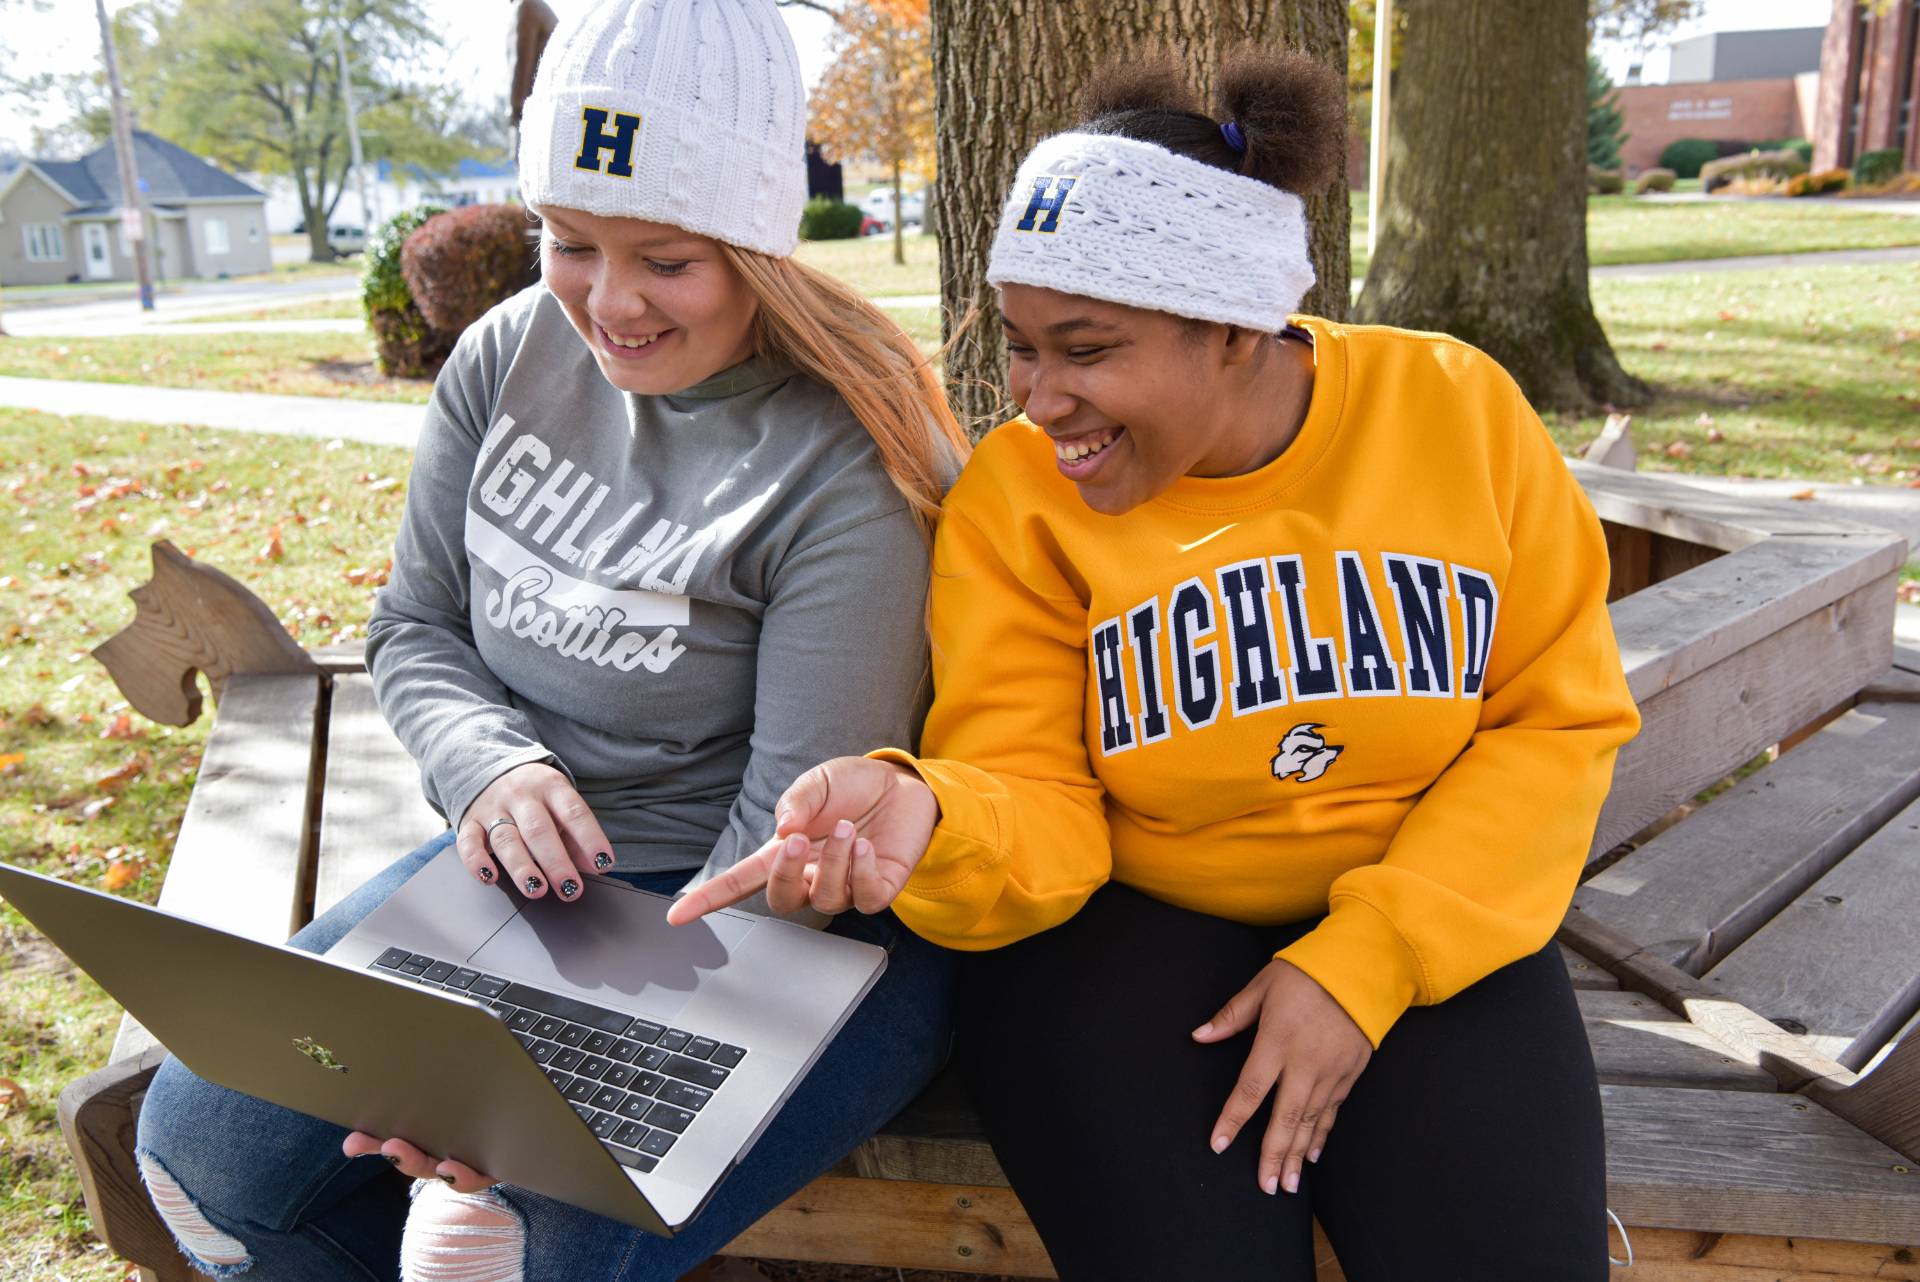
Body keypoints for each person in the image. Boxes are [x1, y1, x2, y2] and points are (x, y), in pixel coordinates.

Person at [672, 48, 1642, 1282]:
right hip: (1126, 938)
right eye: (1021, 347)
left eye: (1085, 349)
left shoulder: (1458, 411)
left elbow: (1554, 729)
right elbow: (1035, 794)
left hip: (1430, 914)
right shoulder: (1016, 505)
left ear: (1236, 328)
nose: (1037, 402)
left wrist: (1364, 966)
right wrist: (928, 813)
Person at [132, 1, 968, 1279]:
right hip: (516, 881)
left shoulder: (844, 470)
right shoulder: (505, 354)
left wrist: (525, 1080)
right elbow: (415, 626)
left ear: (759, 247)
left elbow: (770, 870)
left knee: (496, 1249)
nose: (608, 301)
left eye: (667, 260)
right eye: (570, 243)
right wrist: (491, 769)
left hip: (769, 932)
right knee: (200, 1155)